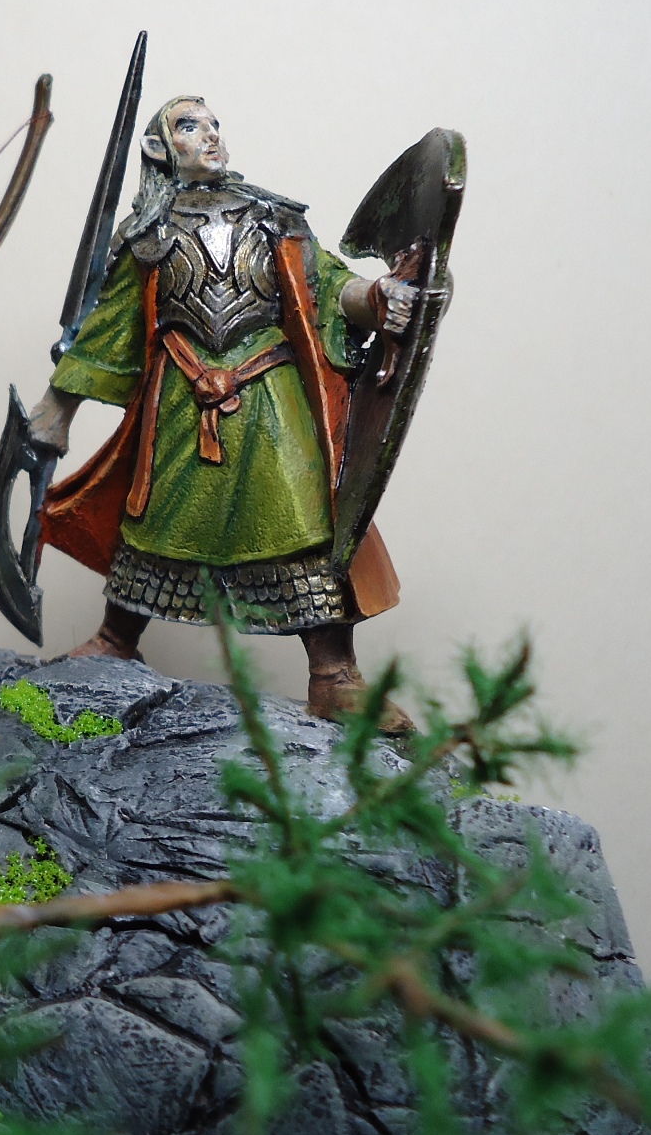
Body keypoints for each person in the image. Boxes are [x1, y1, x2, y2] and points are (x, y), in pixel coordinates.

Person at [28, 96, 420, 729]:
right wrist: (59, 406)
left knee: (303, 520)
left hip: (270, 397)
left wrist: (377, 296)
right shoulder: (148, 233)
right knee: (156, 516)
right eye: (189, 126)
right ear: (159, 149)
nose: (209, 135)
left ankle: (334, 676)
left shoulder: (275, 218)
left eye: (213, 124)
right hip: (181, 399)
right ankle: (116, 639)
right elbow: (109, 328)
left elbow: (326, 286)